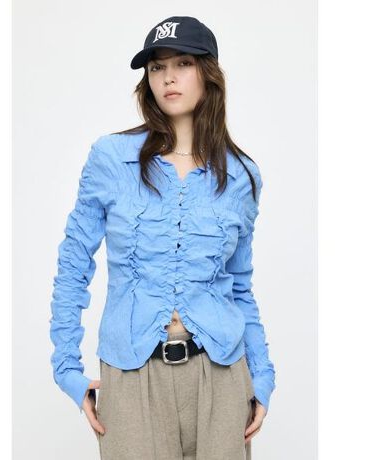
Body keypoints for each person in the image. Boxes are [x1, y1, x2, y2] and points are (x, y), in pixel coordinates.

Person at [49, 15, 276, 460]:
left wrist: (263, 378)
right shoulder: (111, 158)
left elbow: (239, 286)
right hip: (131, 375)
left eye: (183, 63)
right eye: (157, 67)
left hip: (222, 376)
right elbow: (74, 263)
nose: (169, 77)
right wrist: (67, 369)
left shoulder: (242, 176)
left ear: (207, 73)